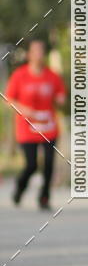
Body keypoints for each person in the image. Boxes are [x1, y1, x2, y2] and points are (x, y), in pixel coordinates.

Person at [5, 40, 66, 210]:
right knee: (31, 165)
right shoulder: (20, 75)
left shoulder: (52, 76)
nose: (39, 55)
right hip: (27, 128)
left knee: (48, 164)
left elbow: (61, 95)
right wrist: (23, 109)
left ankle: (44, 197)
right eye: (36, 52)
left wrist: (61, 99)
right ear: (30, 55)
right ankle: (20, 188)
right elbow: (9, 99)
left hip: (48, 127)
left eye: (42, 51)